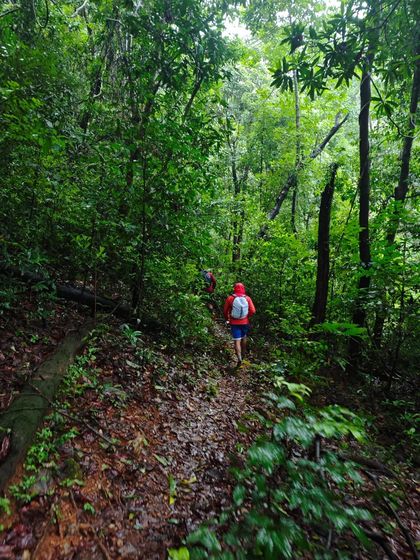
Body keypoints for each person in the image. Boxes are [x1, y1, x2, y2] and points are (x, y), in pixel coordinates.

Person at [224, 282, 256, 366]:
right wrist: (246, 316)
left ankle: (239, 358)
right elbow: (253, 311)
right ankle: (244, 354)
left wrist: (227, 319)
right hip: (244, 322)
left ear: (234, 288)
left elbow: (225, 311)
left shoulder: (230, 298)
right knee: (244, 337)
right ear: (243, 289)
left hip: (234, 323)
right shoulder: (247, 298)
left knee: (236, 341)